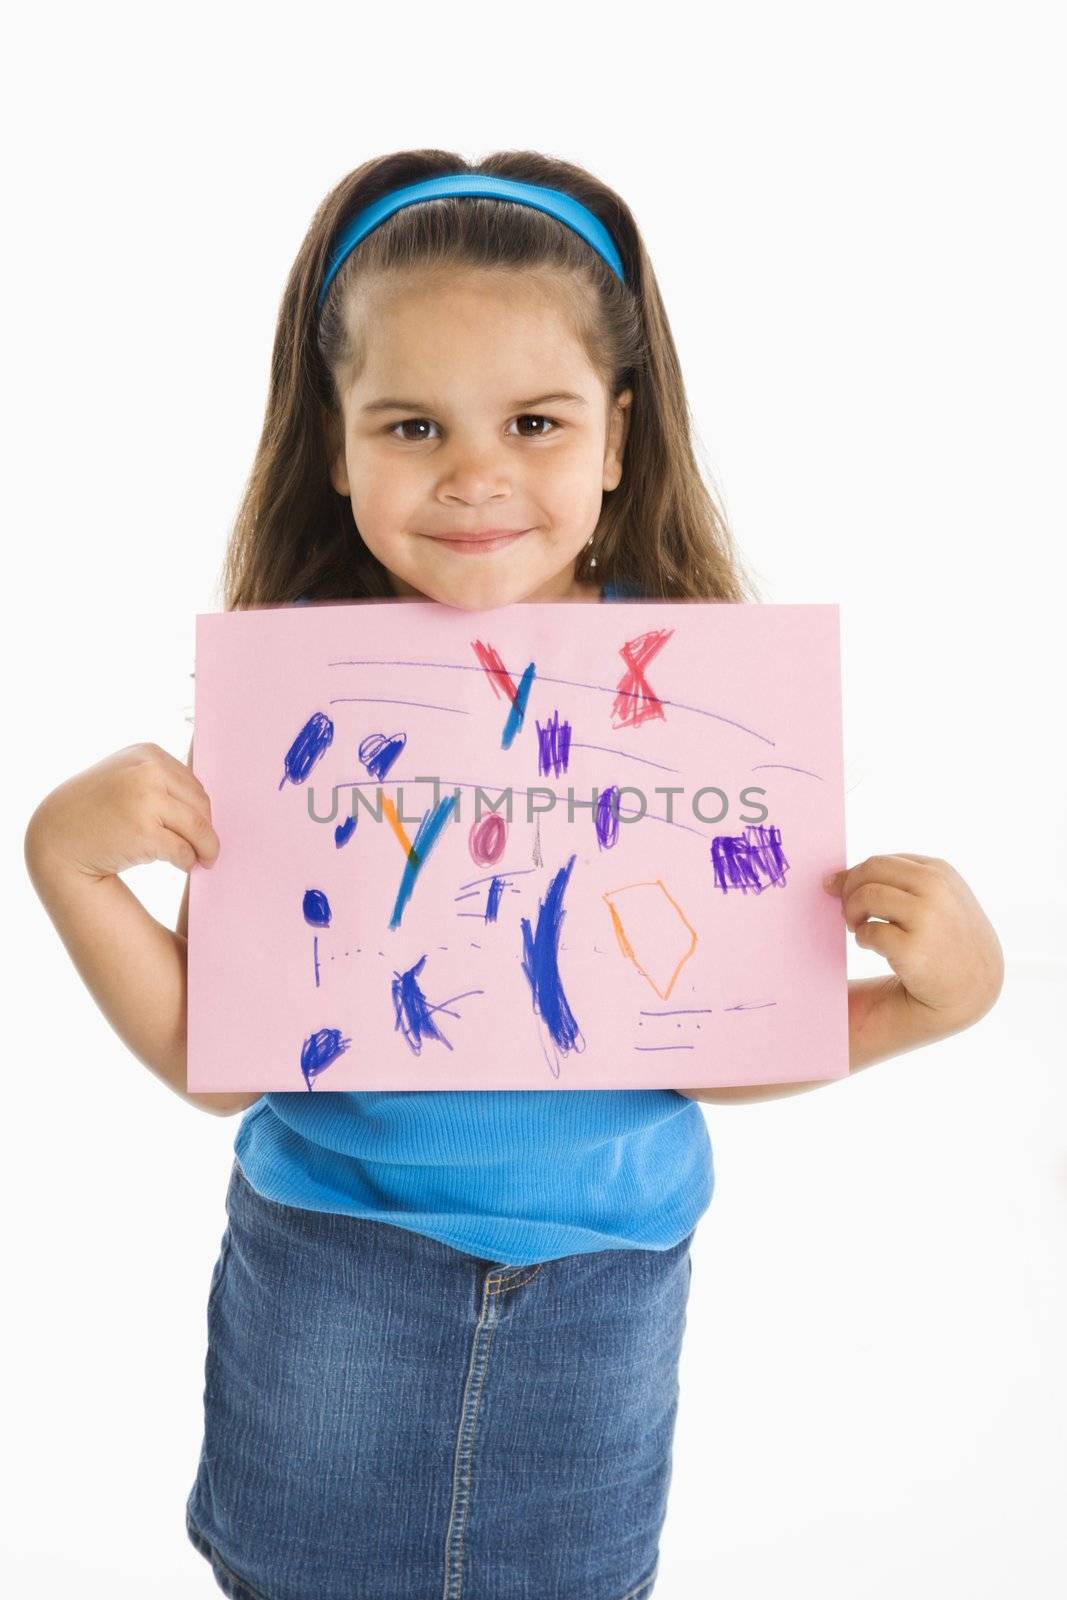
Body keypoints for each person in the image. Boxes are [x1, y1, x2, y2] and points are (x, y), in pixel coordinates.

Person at [23, 152, 1005, 1600]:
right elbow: (213, 1057)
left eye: (534, 421)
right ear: (338, 448)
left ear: (617, 437)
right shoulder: (301, 712)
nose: (476, 472)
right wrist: (65, 860)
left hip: (605, 1288)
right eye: (413, 423)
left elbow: (712, 1041)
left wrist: (941, 998)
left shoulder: (692, 710)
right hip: (333, 1274)